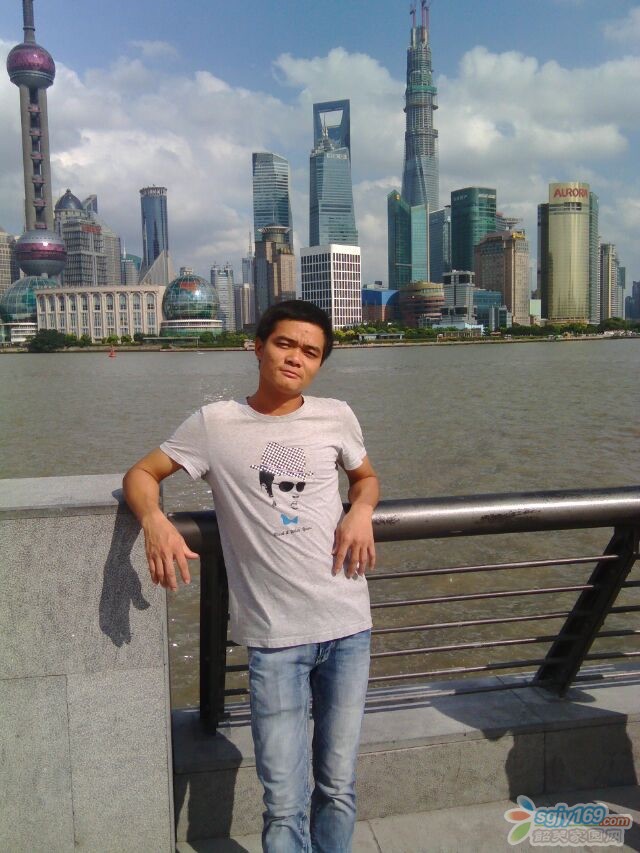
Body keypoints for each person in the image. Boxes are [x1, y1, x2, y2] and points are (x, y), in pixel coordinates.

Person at [123, 299, 379, 852]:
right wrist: (155, 520)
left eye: (310, 352)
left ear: (320, 363)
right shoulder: (214, 424)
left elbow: (365, 477)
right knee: (283, 802)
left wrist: (360, 510)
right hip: (275, 638)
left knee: (338, 787)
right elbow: (142, 473)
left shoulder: (337, 415)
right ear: (258, 347)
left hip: (348, 627)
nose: (296, 358)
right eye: (285, 344)